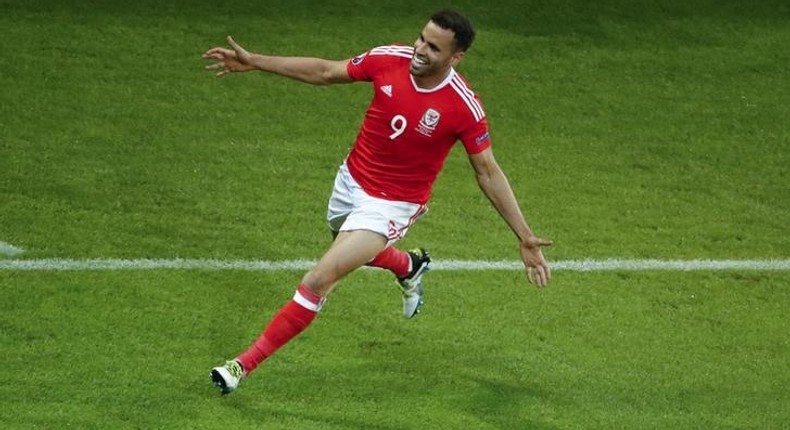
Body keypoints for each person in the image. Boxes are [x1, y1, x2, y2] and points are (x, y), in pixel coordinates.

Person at [202, 9, 552, 394]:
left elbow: (487, 171)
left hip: (392, 206)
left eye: (433, 48)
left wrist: (524, 235)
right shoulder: (389, 59)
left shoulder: (462, 106)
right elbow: (325, 72)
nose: (419, 50)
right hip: (350, 182)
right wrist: (256, 62)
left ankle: (241, 366)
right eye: (421, 38)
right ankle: (408, 264)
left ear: (456, 58)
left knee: (320, 278)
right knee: (344, 241)